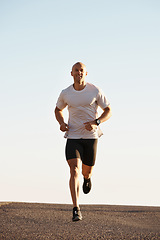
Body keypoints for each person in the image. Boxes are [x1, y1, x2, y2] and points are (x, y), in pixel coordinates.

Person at [55, 62, 112, 221]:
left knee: (86, 172)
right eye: (76, 70)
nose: (79, 73)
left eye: (82, 70)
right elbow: (58, 109)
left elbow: (108, 110)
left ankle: (87, 179)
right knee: (74, 170)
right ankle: (76, 208)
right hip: (72, 136)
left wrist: (97, 122)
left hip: (90, 137)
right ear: (71, 73)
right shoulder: (65, 93)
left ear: (86, 74)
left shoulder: (95, 91)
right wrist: (61, 123)